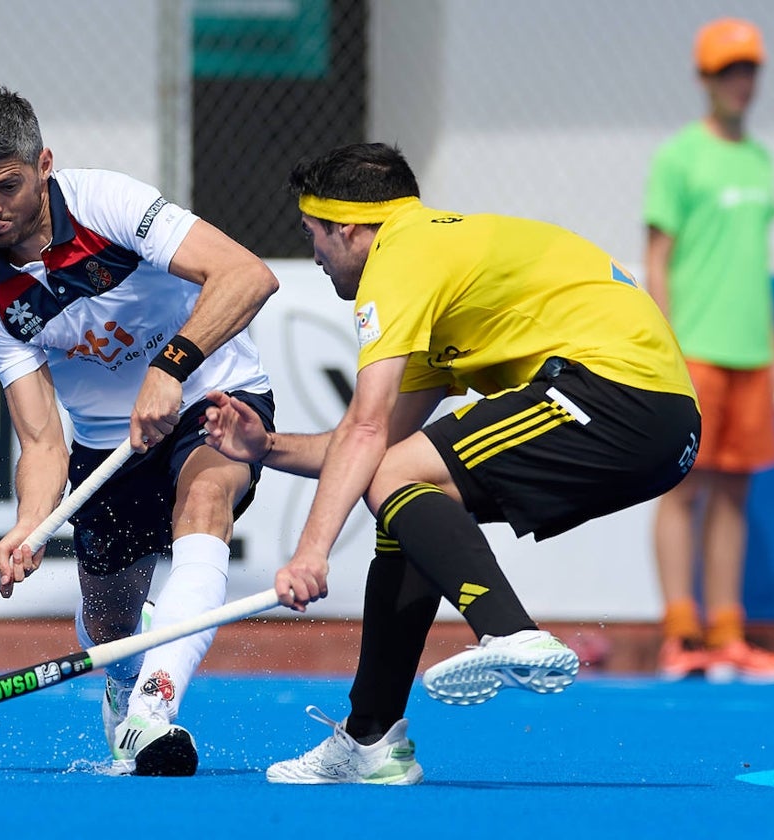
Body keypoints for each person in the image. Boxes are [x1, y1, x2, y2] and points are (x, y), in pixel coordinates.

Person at [203, 142, 701, 785]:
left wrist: (310, 553)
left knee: (398, 479)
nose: (317, 258)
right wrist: (264, 447)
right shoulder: (439, 265)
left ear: (349, 228)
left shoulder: (401, 256)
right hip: (653, 421)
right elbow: (374, 446)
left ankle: (508, 631)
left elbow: (367, 430)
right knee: (402, 504)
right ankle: (370, 741)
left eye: (314, 236)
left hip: (617, 395)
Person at [0, 81, 279, 776]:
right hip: (107, 447)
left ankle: (154, 711)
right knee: (109, 622)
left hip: (210, 393)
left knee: (205, 502)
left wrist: (172, 365)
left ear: (44, 165)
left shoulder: (109, 203)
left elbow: (247, 275)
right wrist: (28, 524)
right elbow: (42, 441)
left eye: (5, 186)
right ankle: (127, 681)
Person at [645, 17, 774, 683]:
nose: (743, 82)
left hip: (751, 357)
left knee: (734, 492)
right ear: (705, 78)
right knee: (682, 490)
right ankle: (681, 634)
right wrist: (666, 347)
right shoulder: (679, 157)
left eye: (750, 69)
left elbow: (753, 266)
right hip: (695, 351)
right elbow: (658, 261)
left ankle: (727, 633)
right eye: (730, 70)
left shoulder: (760, 160)